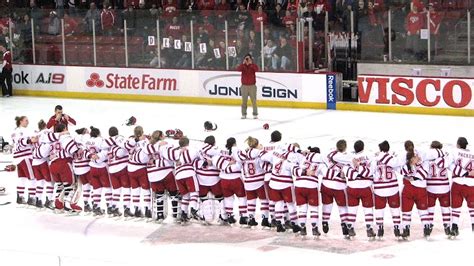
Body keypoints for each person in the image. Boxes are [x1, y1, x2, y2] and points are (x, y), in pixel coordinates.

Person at [236, 54, 259, 120]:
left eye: (248, 58)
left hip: (252, 86)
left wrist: (251, 64)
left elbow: (257, 69)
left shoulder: (253, 65)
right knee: (244, 101)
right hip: (244, 86)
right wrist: (243, 64)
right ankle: (244, 114)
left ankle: (255, 114)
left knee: (254, 101)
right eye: (246, 58)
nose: (247, 60)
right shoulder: (243, 66)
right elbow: (238, 69)